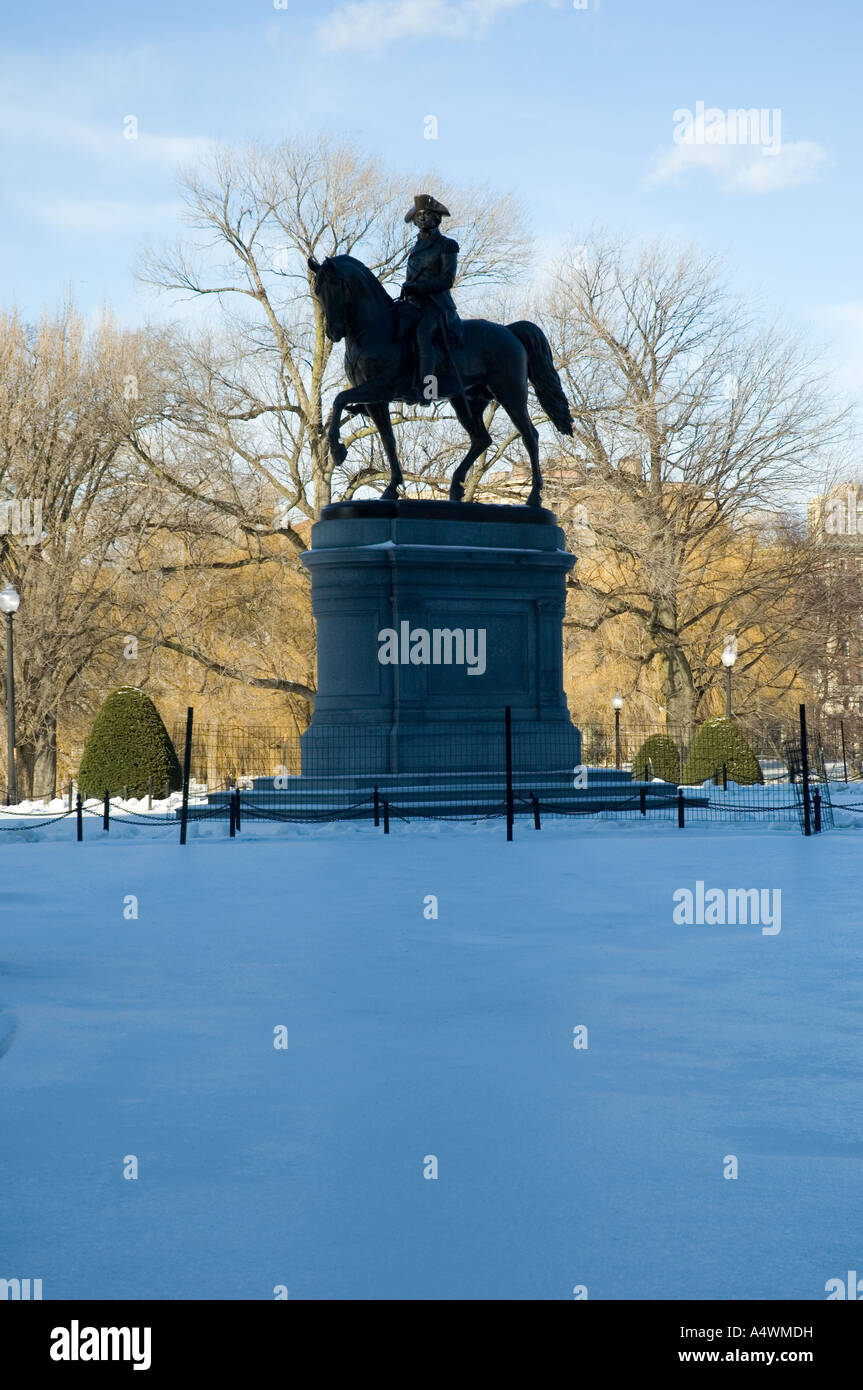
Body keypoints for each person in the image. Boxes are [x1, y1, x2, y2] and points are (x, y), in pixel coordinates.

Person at [399, 194, 462, 395]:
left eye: (427, 214)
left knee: (423, 333)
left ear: (436, 218)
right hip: (413, 304)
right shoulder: (415, 247)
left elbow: (446, 280)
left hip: (437, 306)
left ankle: (429, 389)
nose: (422, 218)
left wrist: (418, 287)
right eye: (419, 215)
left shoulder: (447, 245)